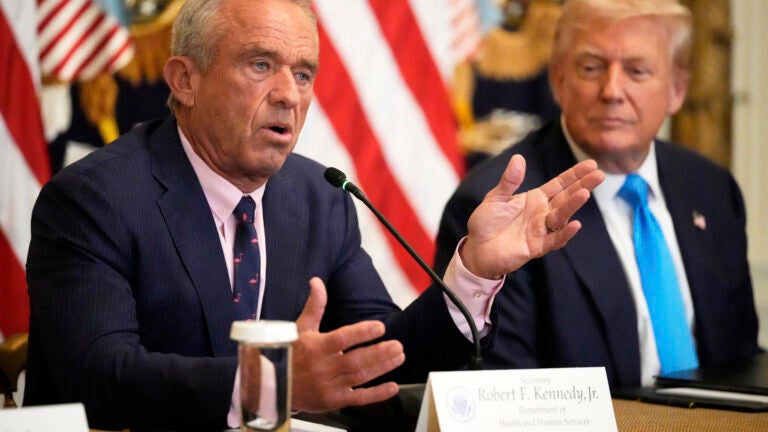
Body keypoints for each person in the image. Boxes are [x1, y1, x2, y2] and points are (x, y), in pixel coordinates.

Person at [23, 0, 604, 429]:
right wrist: (271, 384)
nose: (289, 94)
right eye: (260, 65)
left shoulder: (318, 197)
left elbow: (381, 356)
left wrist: (473, 272)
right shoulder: (95, 198)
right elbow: (100, 377)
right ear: (185, 80)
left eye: (303, 73)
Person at [435, 0, 762, 390]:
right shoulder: (499, 211)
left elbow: (740, 359)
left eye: (637, 71)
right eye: (591, 68)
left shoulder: (711, 189)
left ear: (677, 90)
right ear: (558, 80)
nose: (612, 91)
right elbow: (504, 393)